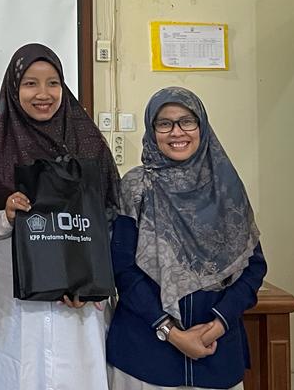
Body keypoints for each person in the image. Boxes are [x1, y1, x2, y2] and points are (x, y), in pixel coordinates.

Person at [0, 43, 120, 390]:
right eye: (30, 83)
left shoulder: (88, 142)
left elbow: (108, 218)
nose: (43, 94)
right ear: (13, 88)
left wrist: (92, 284)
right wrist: (6, 216)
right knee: (11, 373)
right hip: (11, 289)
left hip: (76, 297)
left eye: (53, 83)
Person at [106, 87, 266, 390]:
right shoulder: (137, 187)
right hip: (144, 356)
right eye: (164, 123)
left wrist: (218, 324)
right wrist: (171, 332)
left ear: (202, 126)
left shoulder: (226, 188)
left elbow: (253, 267)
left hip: (216, 353)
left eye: (187, 121)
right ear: (152, 129)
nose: (177, 132)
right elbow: (122, 269)